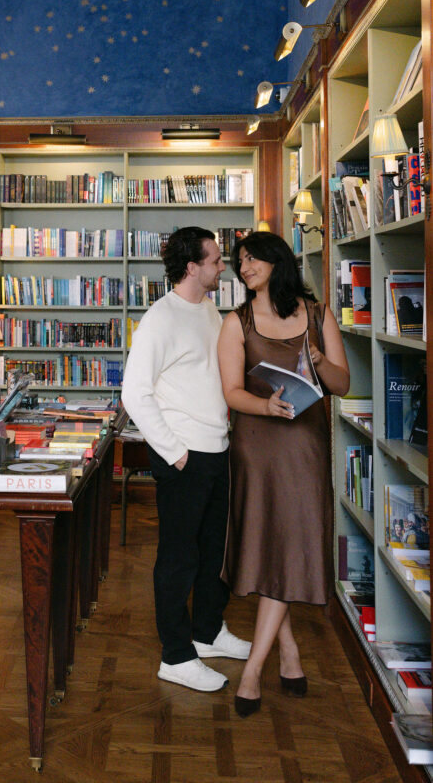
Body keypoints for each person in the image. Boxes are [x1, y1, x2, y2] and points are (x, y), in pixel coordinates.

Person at [217, 231, 349, 717]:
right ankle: (284, 654)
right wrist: (266, 407)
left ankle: (256, 666)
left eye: (253, 258)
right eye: (239, 261)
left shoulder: (318, 316)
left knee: (290, 545)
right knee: (273, 547)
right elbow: (231, 391)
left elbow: (344, 382)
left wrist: (317, 360)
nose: (245, 266)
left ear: (278, 261)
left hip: (306, 449)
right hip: (257, 447)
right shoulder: (237, 321)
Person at [121, 226, 251, 693]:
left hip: (217, 448)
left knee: (214, 551)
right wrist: (174, 452)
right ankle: (176, 656)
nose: (223, 266)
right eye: (215, 260)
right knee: (178, 558)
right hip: (184, 455)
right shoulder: (160, 317)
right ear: (193, 267)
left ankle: (208, 631)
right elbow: (133, 392)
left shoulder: (211, 310)